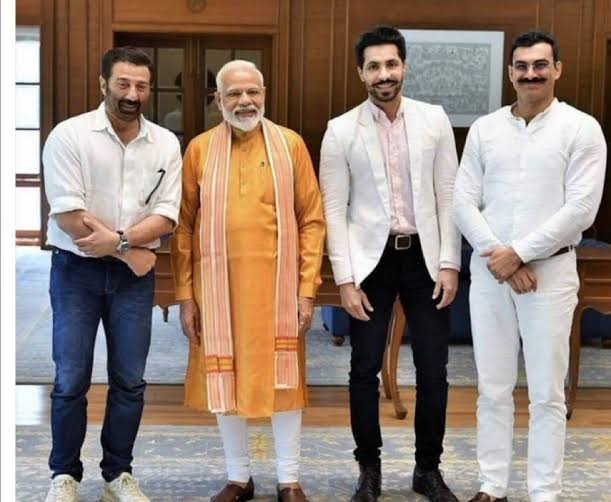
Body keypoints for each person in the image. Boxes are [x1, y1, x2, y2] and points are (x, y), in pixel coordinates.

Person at [453, 31, 607, 502]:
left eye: (541, 65)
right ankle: (492, 486)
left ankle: (544, 492)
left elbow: (581, 209)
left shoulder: (582, 129)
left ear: (557, 69)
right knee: (492, 388)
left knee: (546, 393)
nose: (531, 74)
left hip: (551, 275)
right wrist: (502, 257)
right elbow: (462, 201)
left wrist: (518, 252)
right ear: (510, 73)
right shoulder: (485, 128)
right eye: (522, 66)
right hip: (489, 272)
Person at [171, 60, 325, 502]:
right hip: (218, 291)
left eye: (252, 92)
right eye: (234, 94)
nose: (245, 101)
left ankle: (288, 479)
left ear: (264, 93)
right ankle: (239, 477)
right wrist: (185, 296)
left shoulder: (290, 145)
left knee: (285, 380)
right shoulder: (199, 150)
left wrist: (306, 290)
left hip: (278, 291)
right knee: (226, 379)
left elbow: (311, 220)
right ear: (218, 99)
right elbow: (183, 227)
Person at [319, 26, 462, 502]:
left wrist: (449, 264)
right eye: (374, 66)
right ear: (361, 73)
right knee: (363, 370)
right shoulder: (341, 130)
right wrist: (344, 279)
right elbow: (333, 210)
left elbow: (448, 195)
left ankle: (427, 469)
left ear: (404, 66)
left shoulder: (434, 120)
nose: (385, 74)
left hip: (425, 260)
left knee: (434, 371)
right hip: (370, 264)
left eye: (392, 64)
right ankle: (369, 469)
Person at [42, 47, 182, 502]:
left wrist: (119, 244)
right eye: (123, 83)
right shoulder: (69, 136)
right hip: (75, 273)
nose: (132, 94)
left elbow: (167, 215)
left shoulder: (165, 143)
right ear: (103, 84)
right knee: (71, 378)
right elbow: (68, 215)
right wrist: (131, 251)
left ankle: (117, 474)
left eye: (141, 85)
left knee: (129, 379)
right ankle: (64, 475)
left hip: (132, 284)